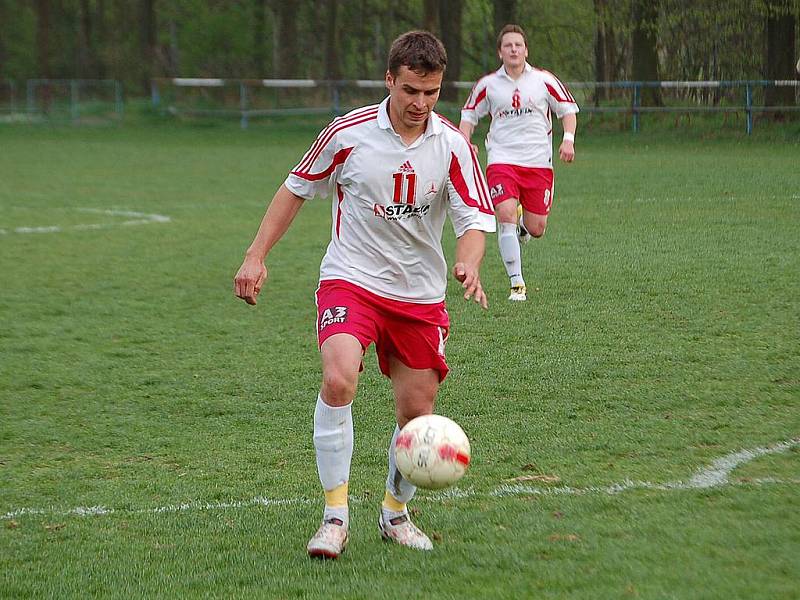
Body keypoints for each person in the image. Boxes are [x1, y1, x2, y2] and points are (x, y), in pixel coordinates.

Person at [234, 31, 495, 559]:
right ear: (389, 82)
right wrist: (255, 255)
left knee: (416, 417)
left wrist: (468, 263)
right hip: (351, 279)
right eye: (410, 91)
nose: (421, 104)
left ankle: (395, 515)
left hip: (419, 295)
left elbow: (475, 220)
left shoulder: (453, 145)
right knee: (339, 377)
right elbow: (296, 188)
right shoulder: (348, 134)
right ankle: (334, 517)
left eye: (431, 92)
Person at [459, 24, 579, 302]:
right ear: (500, 52)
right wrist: (465, 142)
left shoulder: (543, 80)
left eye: (518, 45)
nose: (514, 49)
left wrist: (568, 139)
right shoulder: (487, 85)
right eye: (508, 45)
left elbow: (568, 111)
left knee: (537, 229)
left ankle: (525, 226)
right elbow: (469, 116)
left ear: (526, 50)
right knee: (505, 214)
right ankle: (517, 284)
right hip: (502, 159)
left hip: (538, 161)